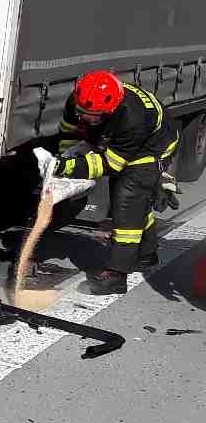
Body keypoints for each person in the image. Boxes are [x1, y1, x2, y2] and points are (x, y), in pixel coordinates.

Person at [53, 70, 179, 294]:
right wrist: (66, 157)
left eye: (94, 116)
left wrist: (69, 167)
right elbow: (68, 132)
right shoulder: (79, 100)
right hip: (126, 142)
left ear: (111, 110)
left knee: (127, 199)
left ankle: (117, 275)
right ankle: (146, 253)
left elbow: (111, 164)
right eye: (82, 113)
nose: (87, 119)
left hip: (153, 148)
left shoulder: (132, 117)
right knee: (133, 201)